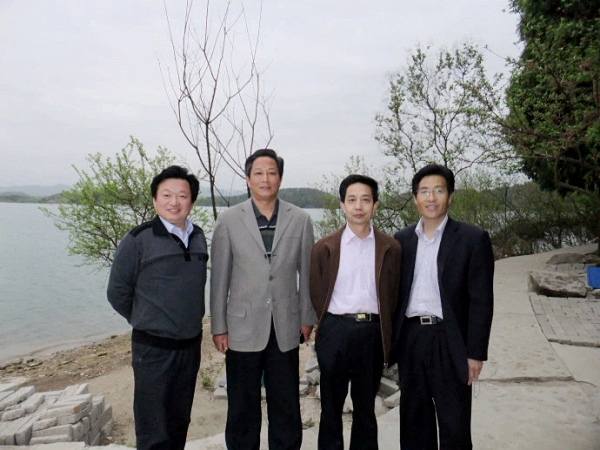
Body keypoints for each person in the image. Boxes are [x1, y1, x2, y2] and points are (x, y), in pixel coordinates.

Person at [210, 148, 315, 450]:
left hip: (286, 326)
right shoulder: (228, 220)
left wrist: (307, 317)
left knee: (286, 403)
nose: (265, 179)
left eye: (272, 173)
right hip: (242, 327)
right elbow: (219, 279)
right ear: (248, 179)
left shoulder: (300, 219)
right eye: (258, 173)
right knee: (242, 405)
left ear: (280, 178)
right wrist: (218, 326)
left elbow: (307, 274)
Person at [391, 164, 494, 449]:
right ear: (415, 198)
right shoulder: (402, 240)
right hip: (411, 338)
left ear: (450, 196)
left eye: (438, 190)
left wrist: (475, 353)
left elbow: (481, 301)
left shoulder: (472, 238)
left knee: (454, 423)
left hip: (449, 339)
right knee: (414, 421)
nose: (431, 197)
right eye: (424, 191)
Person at [107, 165, 208, 450]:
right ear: (154, 200)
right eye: (166, 195)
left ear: (191, 201)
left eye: (182, 196)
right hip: (153, 349)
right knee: (154, 429)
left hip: (190, 347)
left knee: (179, 421)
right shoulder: (138, 239)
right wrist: (145, 318)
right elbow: (117, 292)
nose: (174, 202)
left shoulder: (198, 236)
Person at [310, 174, 401, 450]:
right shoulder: (324, 247)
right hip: (335, 331)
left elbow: (394, 294)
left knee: (365, 407)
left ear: (375, 205)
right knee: (331, 405)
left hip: (371, 333)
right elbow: (316, 292)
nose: (358, 206)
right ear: (342, 205)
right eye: (352, 200)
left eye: (365, 200)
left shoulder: (391, 248)